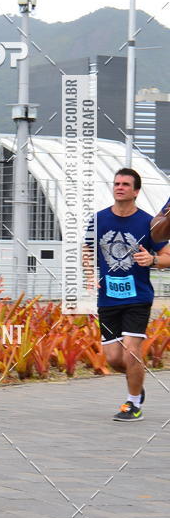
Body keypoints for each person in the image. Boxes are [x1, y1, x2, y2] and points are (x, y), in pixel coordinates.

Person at [86, 169, 170, 422]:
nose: (119, 187)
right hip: (108, 298)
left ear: (136, 191)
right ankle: (137, 383)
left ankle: (133, 404)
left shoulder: (148, 223)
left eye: (125, 184)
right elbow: (87, 249)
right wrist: (90, 273)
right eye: (116, 183)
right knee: (114, 359)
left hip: (138, 297)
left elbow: (167, 256)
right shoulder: (98, 219)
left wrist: (153, 259)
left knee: (132, 352)